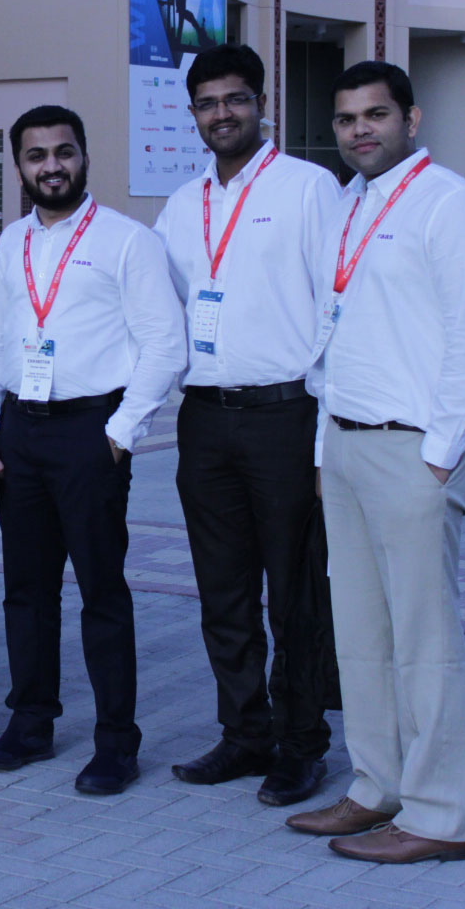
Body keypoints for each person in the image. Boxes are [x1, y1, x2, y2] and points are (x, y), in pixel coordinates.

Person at [287, 61, 465, 864]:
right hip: (347, 442)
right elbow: (333, 335)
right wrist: (325, 448)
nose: (360, 131)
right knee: (361, 633)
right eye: (346, 119)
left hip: (414, 449)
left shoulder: (450, 205)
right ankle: (376, 786)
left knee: (423, 640)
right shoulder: (349, 205)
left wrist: (439, 457)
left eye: (376, 115)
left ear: (411, 119)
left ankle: (440, 816)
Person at [0, 105, 187, 795]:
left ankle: (116, 741)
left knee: (101, 592)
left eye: (63, 152)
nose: (51, 166)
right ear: (19, 166)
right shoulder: (12, 243)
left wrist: (120, 435)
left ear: (84, 156)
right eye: (36, 156)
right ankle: (31, 723)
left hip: (91, 432)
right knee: (25, 592)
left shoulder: (127, 241)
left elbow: (165, 343)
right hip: (20, 433)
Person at [151, 44, 342, 807]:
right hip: (205, 420)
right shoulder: (180, 206)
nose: (222, 114)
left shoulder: (308, 189)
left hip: (285, 416)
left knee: (295, 594)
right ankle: (244, 733)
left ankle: (301, 744)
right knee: (222, 592)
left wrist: (326, 437)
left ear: (262, 103)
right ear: (193, 114)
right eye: (207, 103)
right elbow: (155, 314)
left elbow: (336, 310)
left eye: (235, 99)